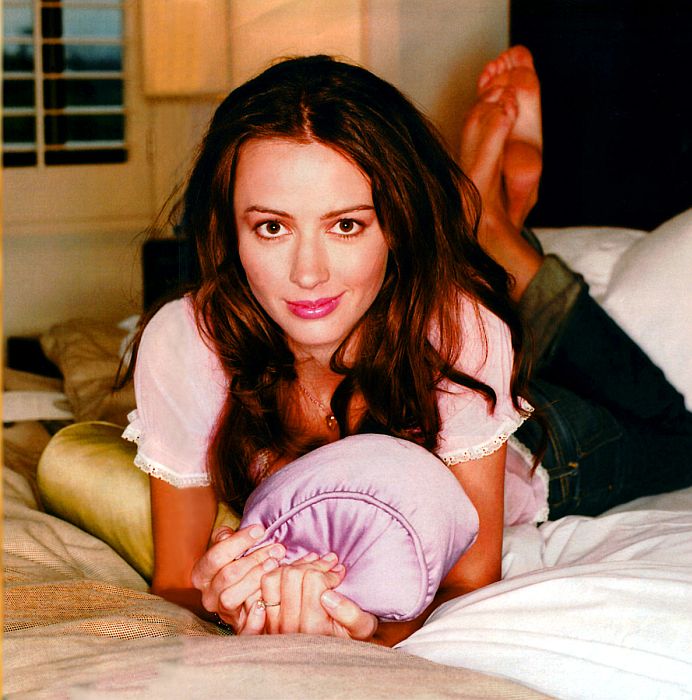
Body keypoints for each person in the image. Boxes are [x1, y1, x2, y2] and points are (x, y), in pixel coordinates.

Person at [122, 48, 692, 647]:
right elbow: (178, 581)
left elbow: (469, 582)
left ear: (395, 223)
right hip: (457, 366)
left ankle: (494, 230)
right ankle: (490, 223)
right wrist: (223, 606)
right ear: (228, 228)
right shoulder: (187, 342)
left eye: (346, 225)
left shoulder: (461, 328)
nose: (308, 274)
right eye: (272, 227)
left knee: (678, 437)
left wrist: (374, 634)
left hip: (535, 446)